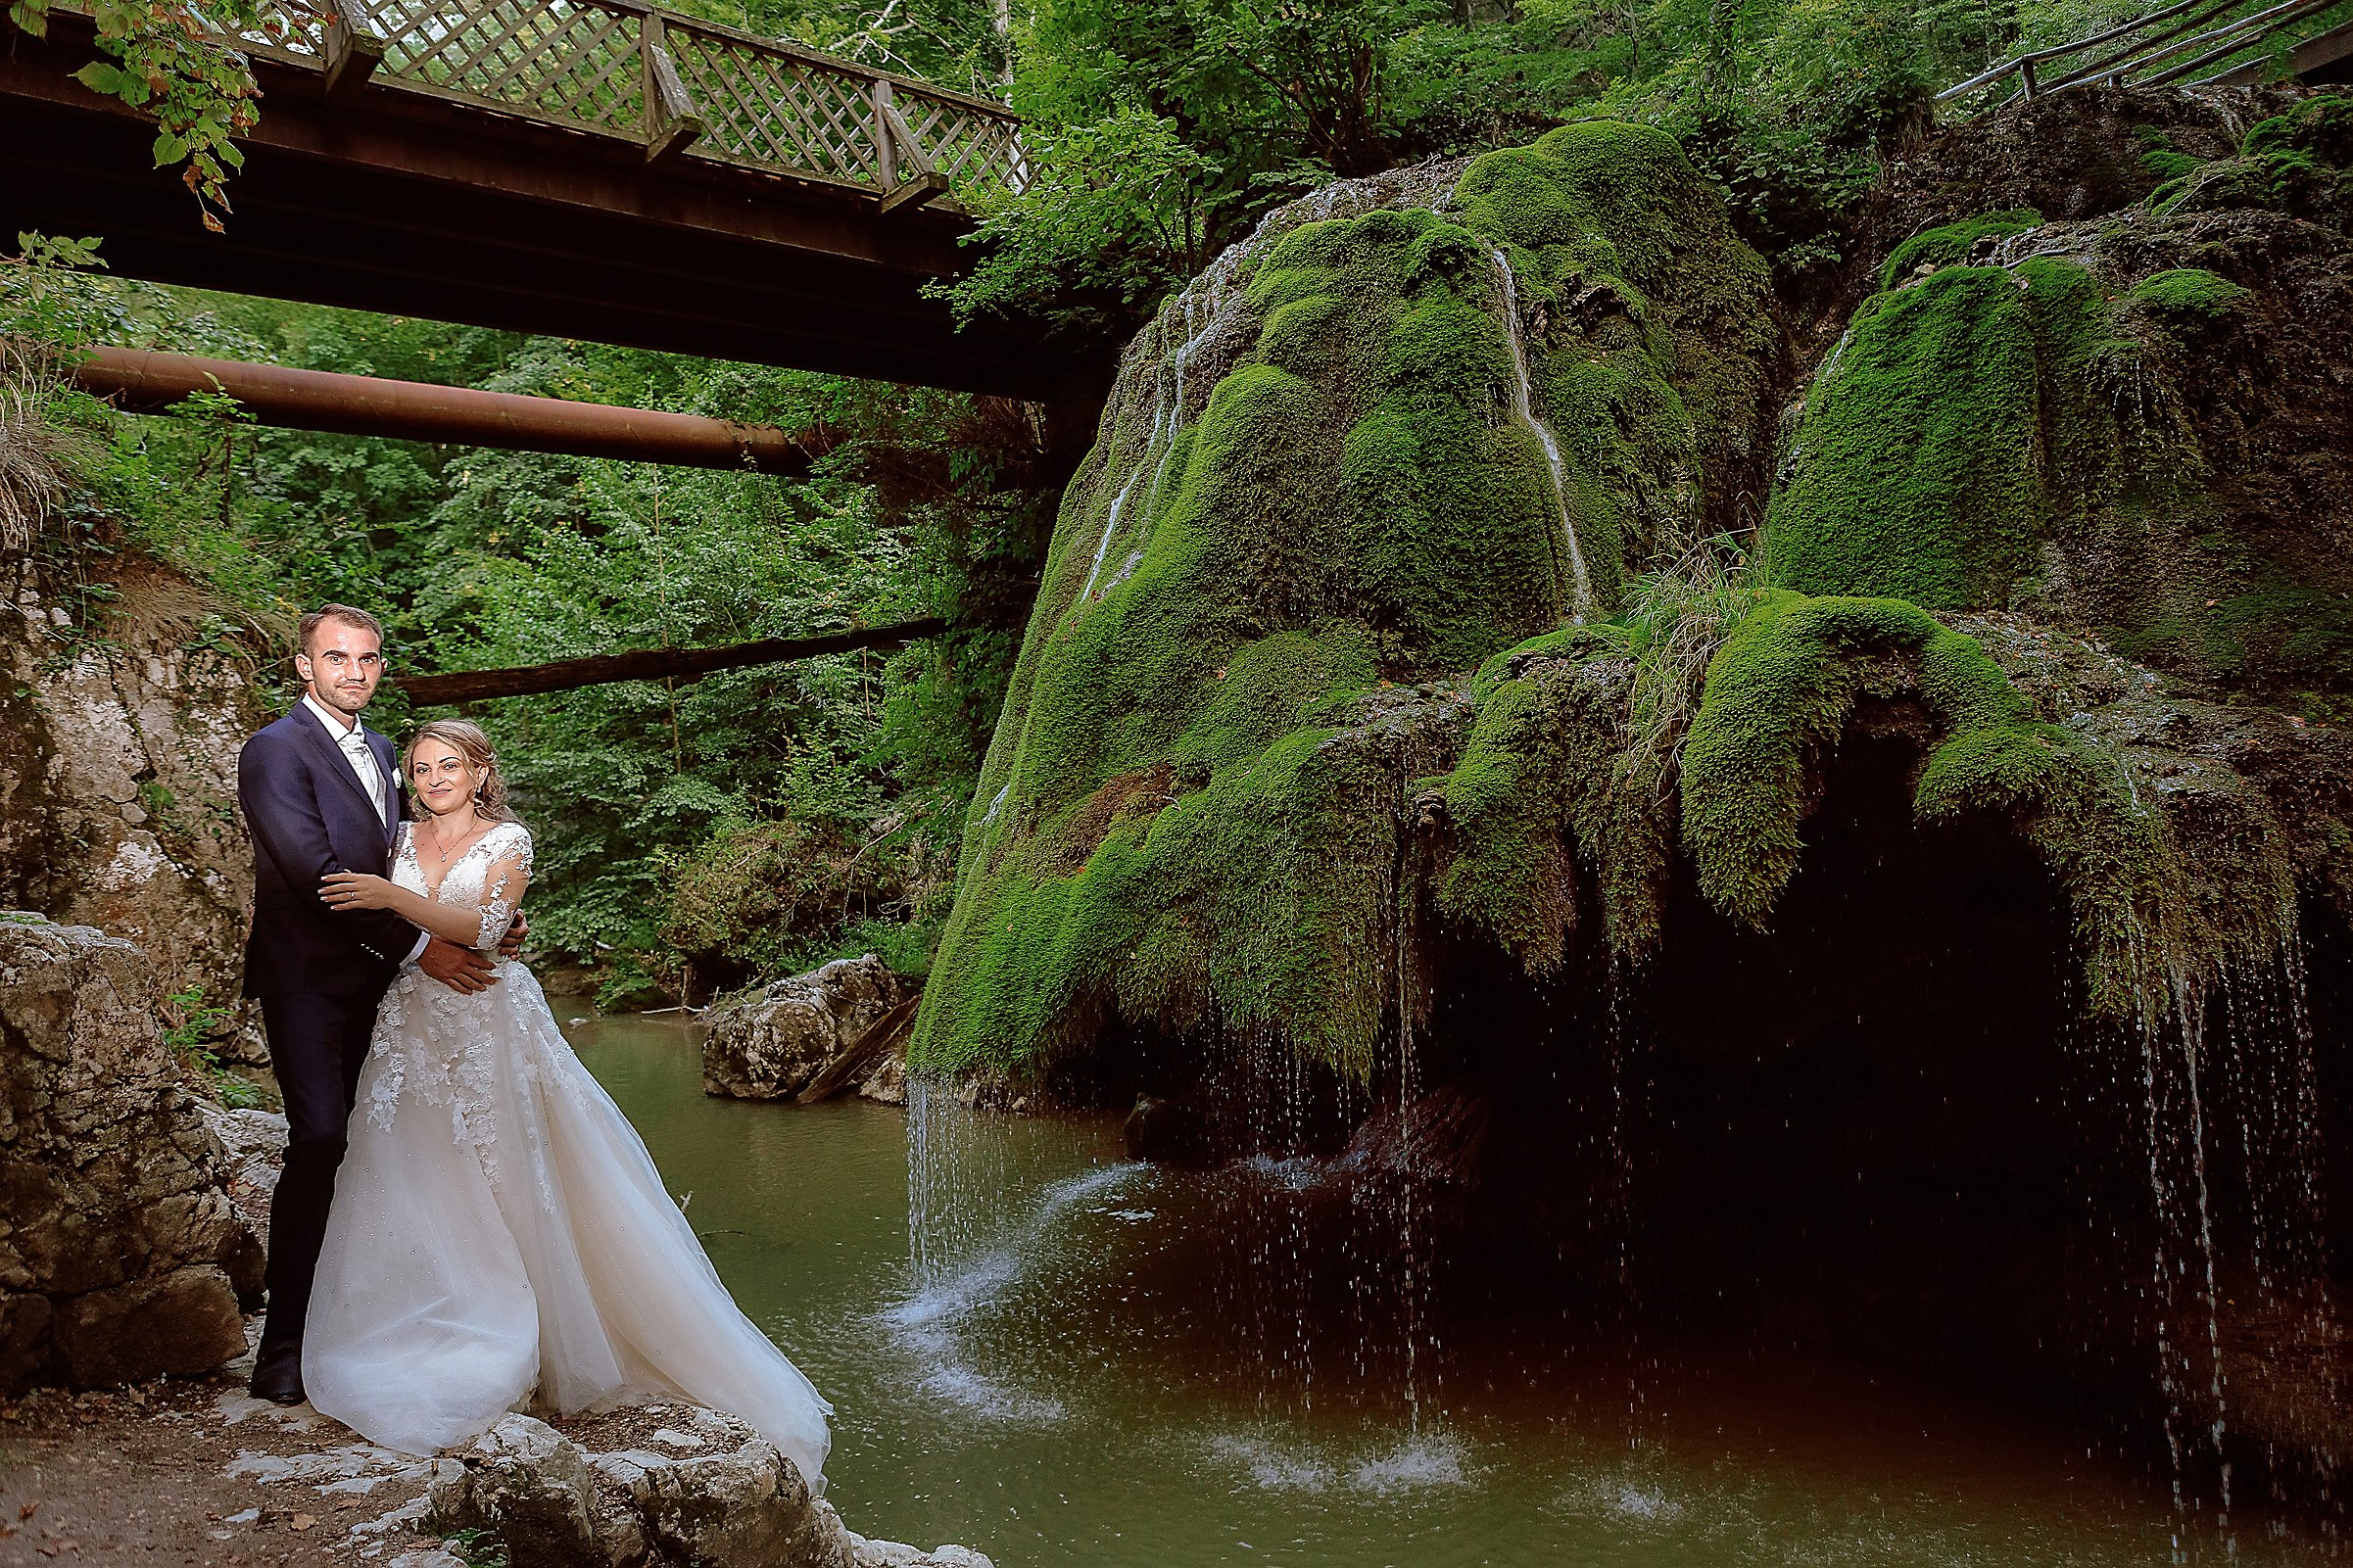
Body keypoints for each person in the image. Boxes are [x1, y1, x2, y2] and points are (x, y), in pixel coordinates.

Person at [302, 720, 832, 1487]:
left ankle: (547, 1337)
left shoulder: (507, 839)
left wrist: (392, 897)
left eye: (450, 765)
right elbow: (365, 923)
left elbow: (487, 927)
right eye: (420, 768)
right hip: (412, 1024)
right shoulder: (393, 837)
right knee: (415, 1168)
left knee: (512, 1166)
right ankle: (422, 1308)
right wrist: (390, 897)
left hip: (489, 1020)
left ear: (482, 772)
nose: (433, 778)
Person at [237, 605, 524, 1407]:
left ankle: (374, 1323)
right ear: (305, 666)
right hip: (308, 976)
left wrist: (489, 909)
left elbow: (410, 855)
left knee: (385, 1149)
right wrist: (423, 946)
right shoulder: (272, 750)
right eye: (336, 658)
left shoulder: (389, 752)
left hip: (385, 991)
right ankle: (282, 1349)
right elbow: (315, 873)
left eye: (366, 659)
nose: (353, 672)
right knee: (319, 1134)